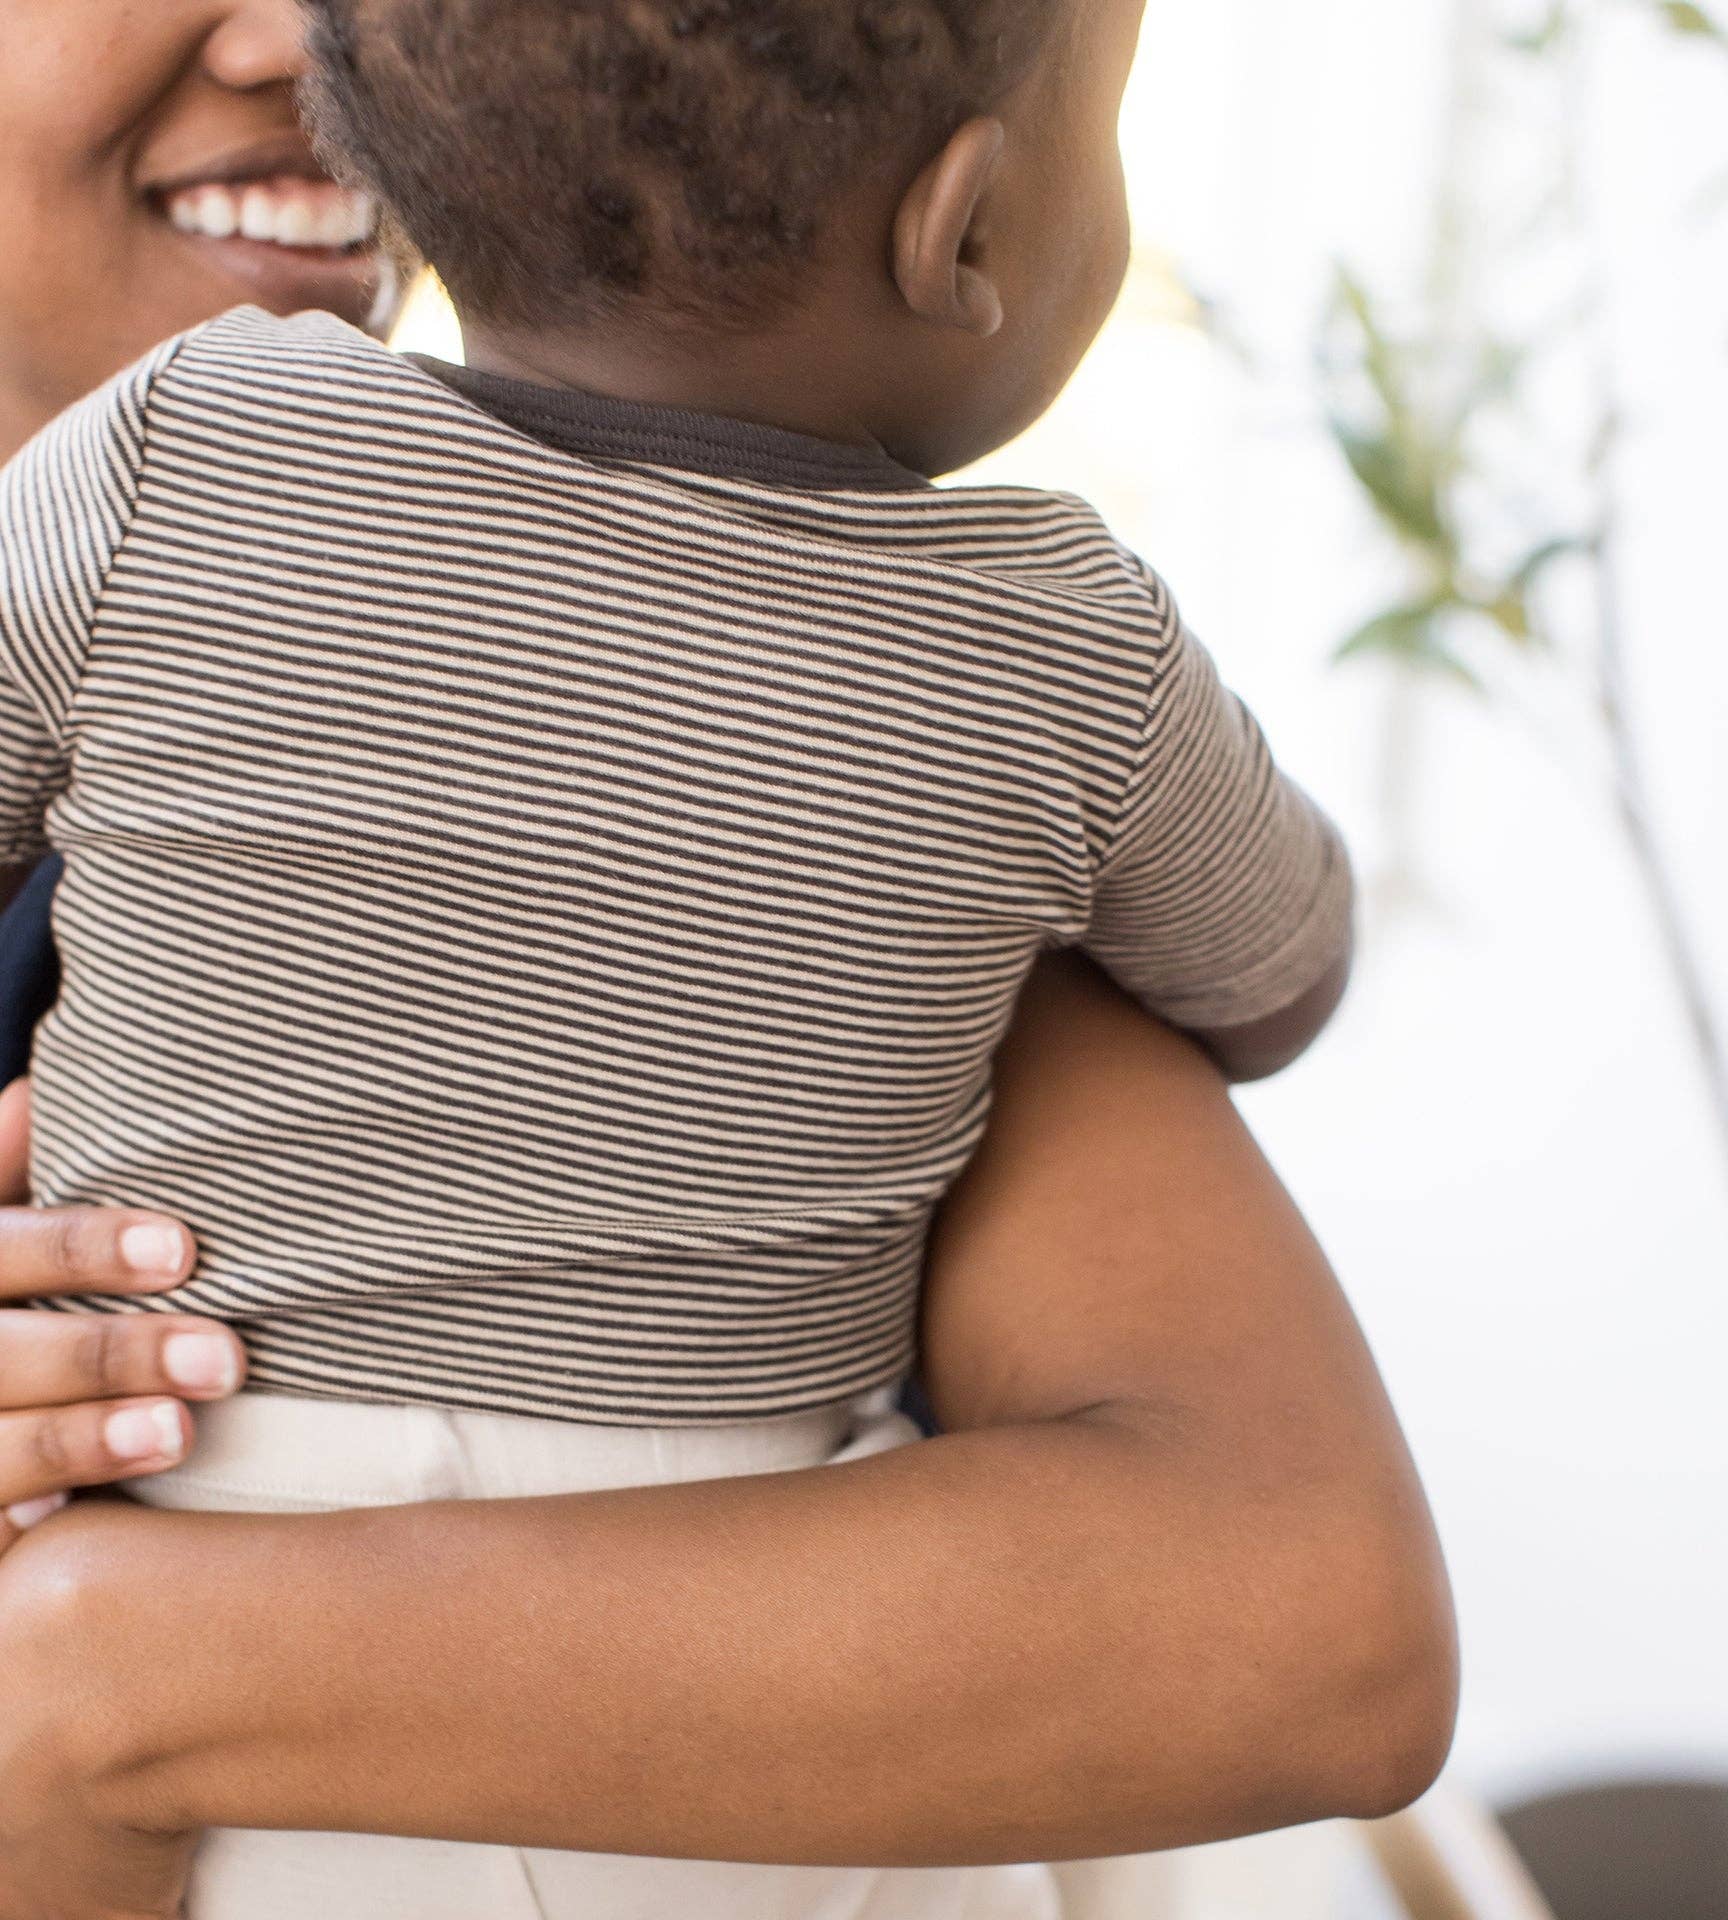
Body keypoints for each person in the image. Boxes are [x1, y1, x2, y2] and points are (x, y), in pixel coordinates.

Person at [0, 3, 1454, 1917]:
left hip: (217, 1684)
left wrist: (97, 1666)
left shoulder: (171, 459)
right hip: (745, 1794)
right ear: (967, 229)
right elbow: (1278, 971)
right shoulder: (1044, 659)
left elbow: (1309, 1620)